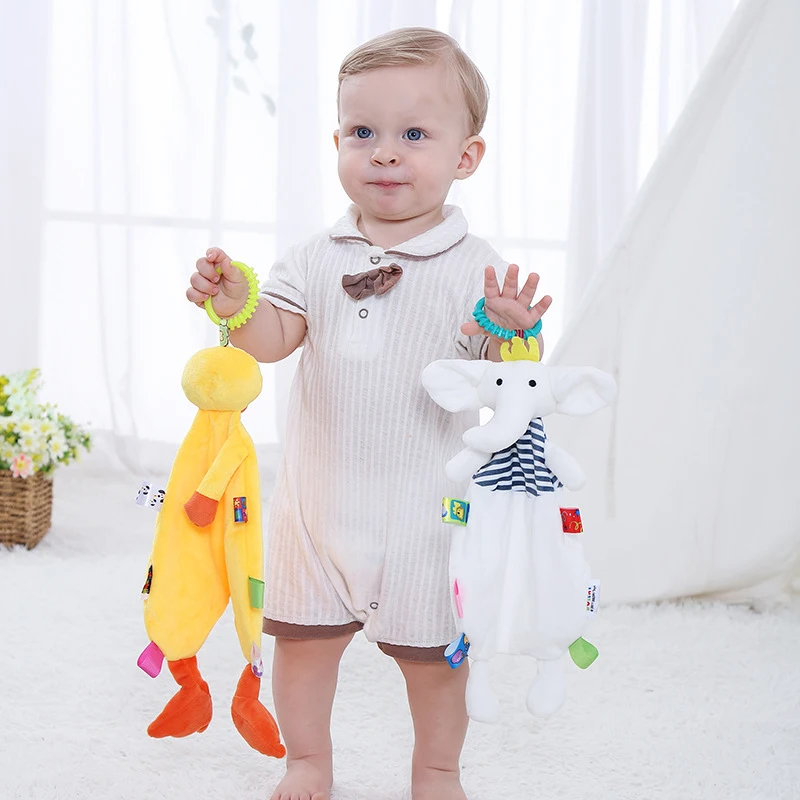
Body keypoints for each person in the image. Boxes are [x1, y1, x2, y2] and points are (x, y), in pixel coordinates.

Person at [187, 27, 552, 800]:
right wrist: (236, 304)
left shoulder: (474, 268)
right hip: (318, 512)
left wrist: (512, 333)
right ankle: (307, 760)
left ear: (466, 157)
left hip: (426, 518)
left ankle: (436, 769)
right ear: (337, 143)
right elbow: (273, 340)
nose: (385, 154)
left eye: (414, 135)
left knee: (433, 661)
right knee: (302, 648)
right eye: (363, 132)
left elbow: (501, 382)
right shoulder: (313, 257)